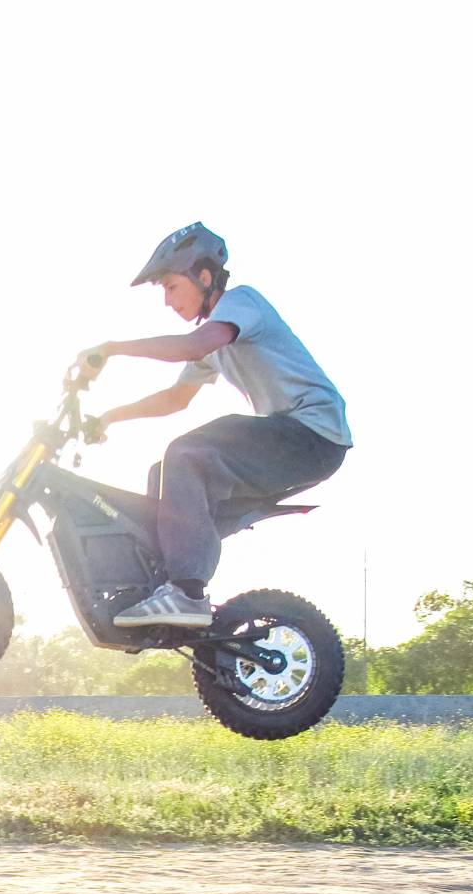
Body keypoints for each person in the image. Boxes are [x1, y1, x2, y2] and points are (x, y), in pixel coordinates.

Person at [76, 221, 352, 629]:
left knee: (187, 454)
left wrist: (112, 350)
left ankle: (186, 592)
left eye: (171, 287)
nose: (168, 302)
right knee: (164, 474)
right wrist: (107, 418)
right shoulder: (214, 342)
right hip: (291, 438)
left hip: (311, 434)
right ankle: (163, 589)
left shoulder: (241, 304)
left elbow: (191, 345)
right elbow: (175, 398)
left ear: (204, 277)